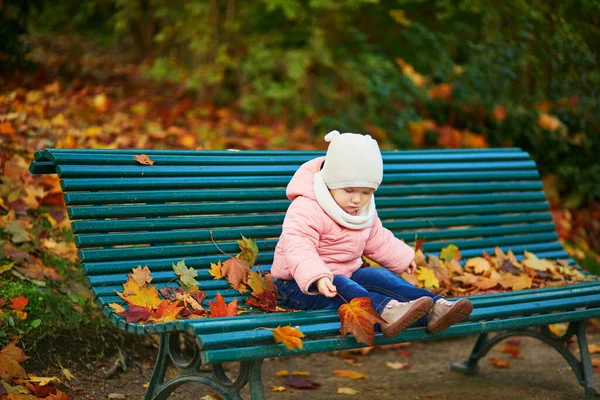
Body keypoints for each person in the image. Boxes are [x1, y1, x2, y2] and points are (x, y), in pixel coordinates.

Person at [271, 130, 473, 337]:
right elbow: (298, 246)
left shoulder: (361, 211)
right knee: (342, 285)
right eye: (349, 191)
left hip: (347, 273)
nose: (357, 200)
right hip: (301, 285)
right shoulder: (307, 207)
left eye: (366, 193)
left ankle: (434, 308)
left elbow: (376, 237)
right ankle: (386, 312)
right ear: (331, 182)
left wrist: (402, 257)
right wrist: (317, 276)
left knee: (379, 275)